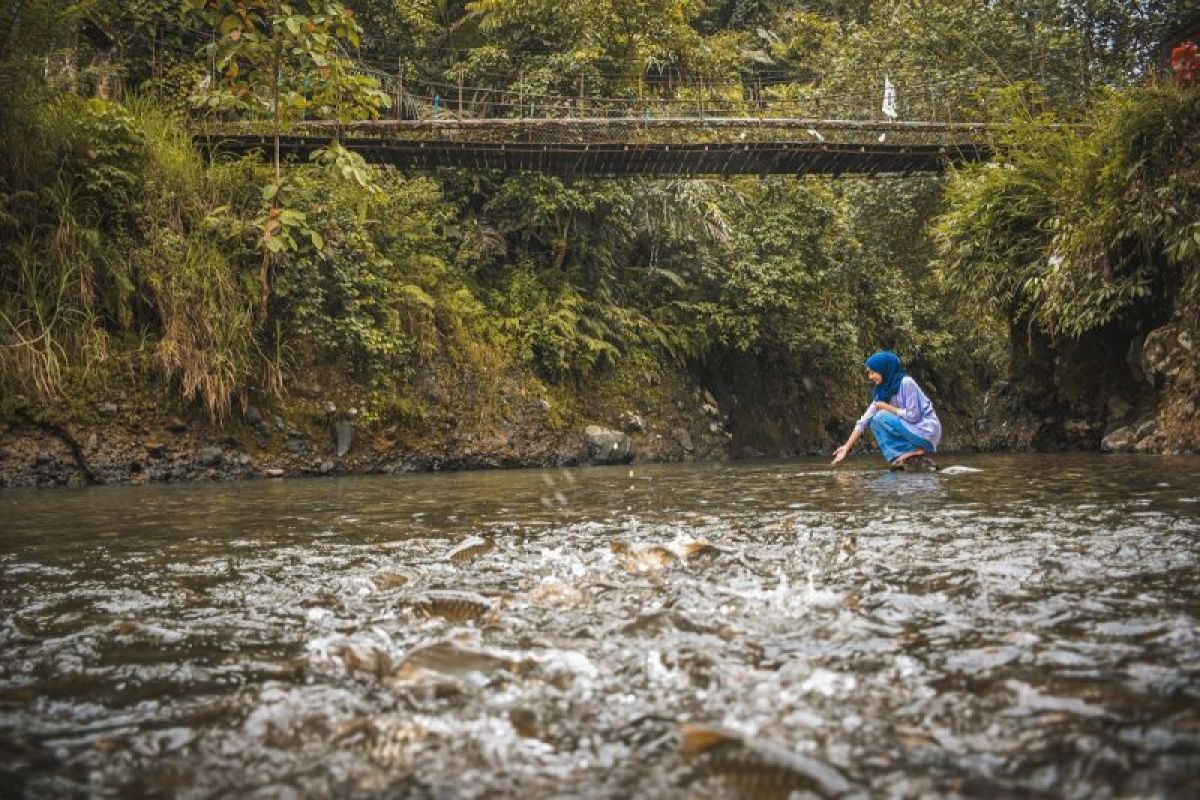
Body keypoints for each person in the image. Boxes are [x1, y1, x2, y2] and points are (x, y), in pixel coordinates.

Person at [830, 351, 941, 471]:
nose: (870, 377)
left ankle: (913, 451)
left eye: (873, 372)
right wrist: (846, 447)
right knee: (873, 421)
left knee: (881, 416)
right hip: (912, 430)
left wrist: (887, 408)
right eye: (869, 373)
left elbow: (913, 416)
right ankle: (900, 454)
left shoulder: (907, 383)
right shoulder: (882, 391)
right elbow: (863, 421)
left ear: (884, 370)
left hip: (927, 431)